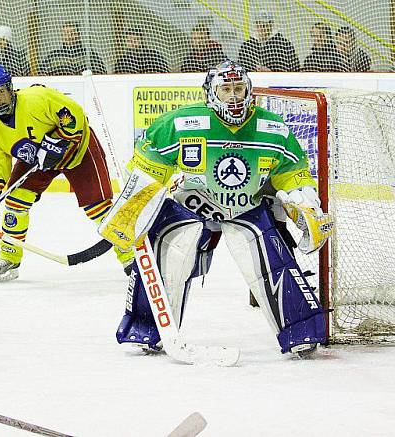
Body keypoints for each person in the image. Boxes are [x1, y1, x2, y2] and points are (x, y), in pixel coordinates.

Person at [101, 60, 330, 357]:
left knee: (276, 261)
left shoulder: (272, 128)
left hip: (246, 209)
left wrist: (305, 202)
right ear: (211, 93)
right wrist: (133, 206)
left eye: (239, 88)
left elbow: (292, 172)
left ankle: (301, 331)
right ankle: (146, 329)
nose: (234, 96)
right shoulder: (179, 123)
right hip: (191, 207)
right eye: (226, 90)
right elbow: (147, 169)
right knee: (166, 255)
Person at [0, 65, 132, 282]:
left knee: (98, 208)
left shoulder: (37, 98)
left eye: (1, 91)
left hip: (79, 150)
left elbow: (75, 116)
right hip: (36, 162)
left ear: (10, 89)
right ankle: (10, 256)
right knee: (15, 202)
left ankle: (131, 255)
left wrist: (56, 141)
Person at [39, 22, 106, 76]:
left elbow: (101, 74)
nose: (69, 36)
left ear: (78, 35)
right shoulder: (53, 56)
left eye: (72, 33)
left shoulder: (90, 55)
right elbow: (41, 74)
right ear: (62, 36)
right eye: (66, 33)